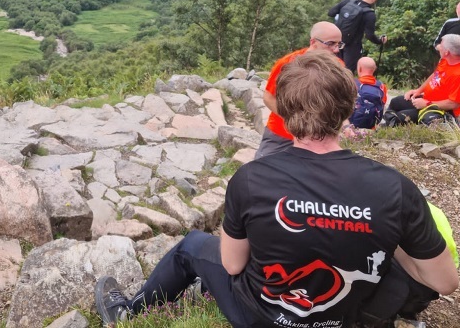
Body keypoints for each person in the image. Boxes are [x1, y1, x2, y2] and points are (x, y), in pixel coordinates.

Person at [94, 51, 458, 328]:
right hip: (346, 317)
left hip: (260, 317)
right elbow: (444, 282)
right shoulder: (393, 188)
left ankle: (127, 314)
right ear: (348, 110)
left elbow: (233, 263)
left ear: (282, 111)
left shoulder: (252, 179)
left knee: (191, 246)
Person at [254, 21, 344, 159]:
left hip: (319, 138)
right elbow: (269, 97)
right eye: (331, 43)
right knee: (261, 171)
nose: (336, 49)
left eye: (339, 44)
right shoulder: (287, 63)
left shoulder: (338, 66)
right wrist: (296, 122)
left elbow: (342, 101)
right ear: (313, 41)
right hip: (282, 133)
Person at [385, 33, 460, 126]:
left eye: (441, 45)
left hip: (440, 109)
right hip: (427, 99)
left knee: (400, 117)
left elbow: (454, 104)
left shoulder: (457, 74)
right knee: (395, 102)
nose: (438, 47)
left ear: (447, 52)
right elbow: (435, 75)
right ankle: (384, 125)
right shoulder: (445, 60)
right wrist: (418, 91)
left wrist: (427, 104)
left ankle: (385, 129)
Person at [328, 0, 388, 74]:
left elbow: (331, 13)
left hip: (336, 44)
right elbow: (369, 35)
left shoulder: (347, 2)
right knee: (347, 73)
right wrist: (380, 41)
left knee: (334, 70)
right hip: (352, 47)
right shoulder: (369, 14)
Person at [348, 56, 387, 130]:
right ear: (374, 69)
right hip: (372, 124)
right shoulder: (381, 86)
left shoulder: (352, 83)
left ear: (359, 69)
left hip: (351, 123)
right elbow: (382, 104)